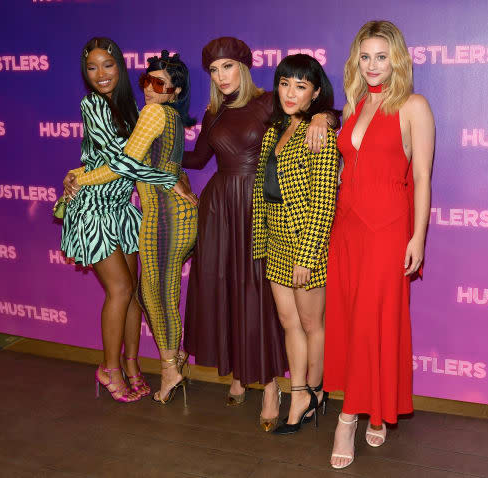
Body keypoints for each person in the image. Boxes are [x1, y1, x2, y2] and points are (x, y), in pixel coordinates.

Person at [182, 37, 337, 432]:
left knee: (271, 308)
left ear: (245, 67)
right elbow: (198, 158)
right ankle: (244, 373)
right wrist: (157, 152)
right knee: (238, 297)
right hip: (230, 214)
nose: (222, 76)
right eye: (213, 71)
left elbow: (326, 112)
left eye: (228, 66)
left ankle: (282, 388)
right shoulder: (215, 112)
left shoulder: (272, 102)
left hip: (266, 212)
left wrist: (325, 118)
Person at [323, 21, 435, 468]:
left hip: (388, 229)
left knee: (375, 321)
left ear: (398, 59)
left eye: (382, 56)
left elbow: (423, 177)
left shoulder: (414, 105)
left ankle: (348, 417)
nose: (373, 65)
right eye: (365, 57)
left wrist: (419, 237)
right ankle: (375, 408)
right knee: (352, 323)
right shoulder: (353, 105)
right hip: (347, 228)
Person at [61, 38, 192, 403]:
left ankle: (133, 365)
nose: (100, 74)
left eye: (108, 65)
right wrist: (168, 178)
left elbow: (132, 157)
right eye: (92, 68)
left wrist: (77, 168)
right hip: (93, 208)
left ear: (120, 67)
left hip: (121, 208)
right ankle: (110, 368)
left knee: (133, 291)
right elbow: (122, 161)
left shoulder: (136, 105)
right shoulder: (92, 104)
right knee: (119, 289)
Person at [252, 54, 338, 435]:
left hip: (305, 245)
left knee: (310, 323)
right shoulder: (276, 129)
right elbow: (263, 193)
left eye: (300, 86)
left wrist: (307, 255)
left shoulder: (319, 132)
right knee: (289, 324)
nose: (290, 92)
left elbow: (323, 203)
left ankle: (315, 391)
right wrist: (261, 245)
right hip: (275, 243)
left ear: (315, 93)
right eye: (285, 83)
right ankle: (298, 392)